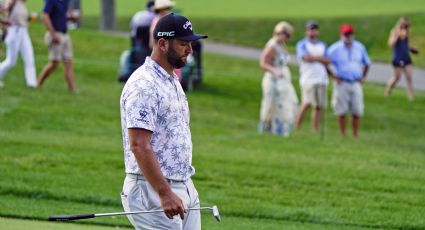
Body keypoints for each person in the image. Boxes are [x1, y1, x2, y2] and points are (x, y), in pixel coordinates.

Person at [120, 13, 207, 230]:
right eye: (183, 44)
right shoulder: (144, 85)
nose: (190, 50)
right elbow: (139, 145)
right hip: (152, 190)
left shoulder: (172, 80)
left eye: (190, 43)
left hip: (183, 185)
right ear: (162, 44)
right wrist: (165, 193)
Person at [327, 24, 371, 138]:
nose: (348, 36)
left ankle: (355, 135)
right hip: (342, 82)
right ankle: (343, 134)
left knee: (357, 110)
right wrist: (333, 76)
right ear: (341, 35)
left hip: (356, 82)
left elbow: (367, 63)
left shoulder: (359, 47)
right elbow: (325, 62)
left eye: (350, 34)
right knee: (341, 110)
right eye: (346, 34)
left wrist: (363, 76)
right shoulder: (335, 48)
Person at [258, 21, 298, 137]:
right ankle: (267, 129)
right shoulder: (272, 45)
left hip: (283, 80)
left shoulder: (282, 45)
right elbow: (263, 63)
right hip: (273, 80)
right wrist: (275, 71)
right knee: (271, 104)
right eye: (287, 35)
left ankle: (282, 130)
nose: (287, 38)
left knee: (288, 102)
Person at [295, 20, 331, 133]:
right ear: (306, 31)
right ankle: (296, 127)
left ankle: (314, 129)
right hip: (308, 78)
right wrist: (319, 58)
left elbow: (328, 60)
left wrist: (315, 58)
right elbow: (305, 57)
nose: (312, 32)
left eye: (314, 30)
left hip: (321, 78)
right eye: (310, 30)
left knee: (318, 106)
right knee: (306, 103)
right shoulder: (302, 44)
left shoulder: (322, 45)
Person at [37, 0, 79, 92]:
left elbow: (64, 16)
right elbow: (45, 16)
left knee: (68, 62)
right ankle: (38, 83)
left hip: (64, 34)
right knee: (54, 63)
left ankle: (73, 90)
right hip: (54, 34)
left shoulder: (66, 1)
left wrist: (73, 18)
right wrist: (53, 34)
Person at [0, 0, 36, 88]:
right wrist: (4, 21)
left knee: (29, 57)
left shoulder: (22, 4)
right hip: (14, 30)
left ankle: (32, 83)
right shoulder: (12, 1)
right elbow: (3, 10)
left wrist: (29, 18)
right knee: (11, 61)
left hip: (23, 30)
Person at [385, 16, 419, 101]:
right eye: (404, 24)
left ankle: (411, 98)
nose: (405, 27)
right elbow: (390, 44)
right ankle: (388, 90)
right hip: (398, 58)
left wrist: (412, 49)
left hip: (406, 57)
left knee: (409, 77)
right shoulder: (394, 31)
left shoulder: (407, 32)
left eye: (407, 25)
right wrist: (397, 35)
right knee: (397, 78)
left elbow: (405, 45)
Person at [129, 0, 155, 71]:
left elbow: (131, 26)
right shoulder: (153, 16)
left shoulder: (138, 14)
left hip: (135, 39)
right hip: (146, 42)